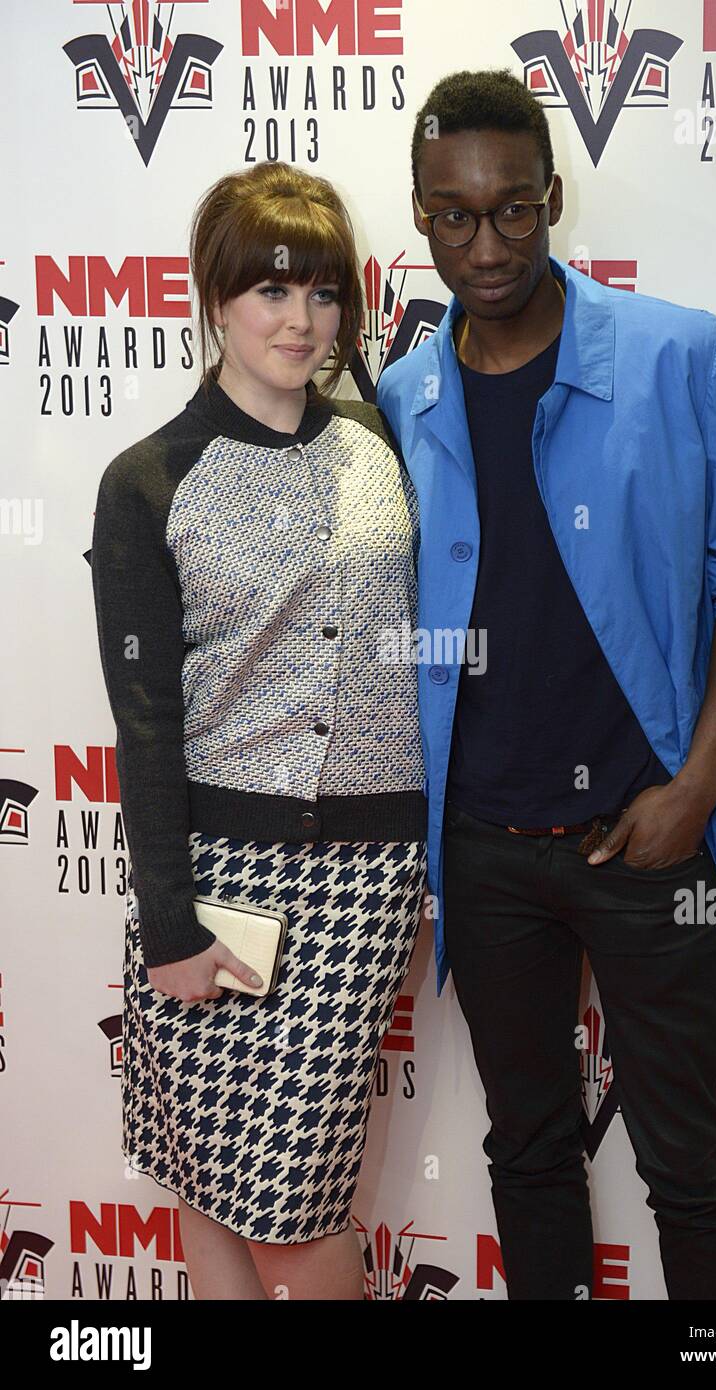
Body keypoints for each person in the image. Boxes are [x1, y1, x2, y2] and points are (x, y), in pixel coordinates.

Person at [376, 69, 716, 1301]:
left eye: (512, 208)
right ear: (418, 217)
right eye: (452, 215)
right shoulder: (404, 397)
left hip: (645, 833)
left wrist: (697, 780)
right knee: (528, 1152)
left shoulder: (678, 353)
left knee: (688, 1162)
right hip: (485, 845)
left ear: (552, 197)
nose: (485, 241)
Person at [90, 161, 427, 1301]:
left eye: (324, 293)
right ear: (216, 297)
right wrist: (169, 921)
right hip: (215, 876)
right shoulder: (147, 479)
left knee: (296, 1202)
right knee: (205, 1179)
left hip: (362, 878)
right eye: (273, 292)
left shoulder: (384, 447)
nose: (302, 321)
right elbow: (143, 722)